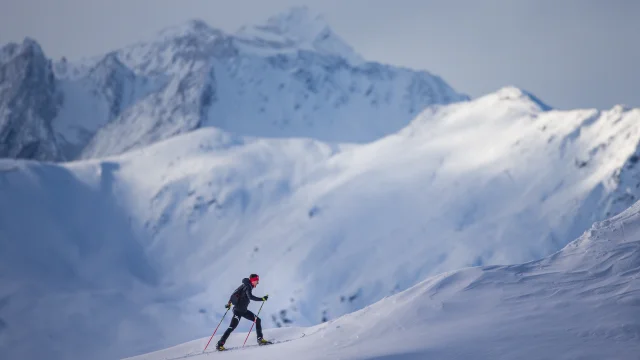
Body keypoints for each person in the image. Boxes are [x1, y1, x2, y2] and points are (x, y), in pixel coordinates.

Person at [216, 274, 271, 350]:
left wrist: (229, 303)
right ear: (253, 280)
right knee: (231, 327)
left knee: (258, 320)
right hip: (238, 311)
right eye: (257, 281)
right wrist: (262, 299)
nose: (258, 282)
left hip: (243, 311)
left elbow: (234, 294)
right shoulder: (248, 286)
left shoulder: (244, 285)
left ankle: (260, 339)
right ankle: (220, 344)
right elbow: (250, 297)